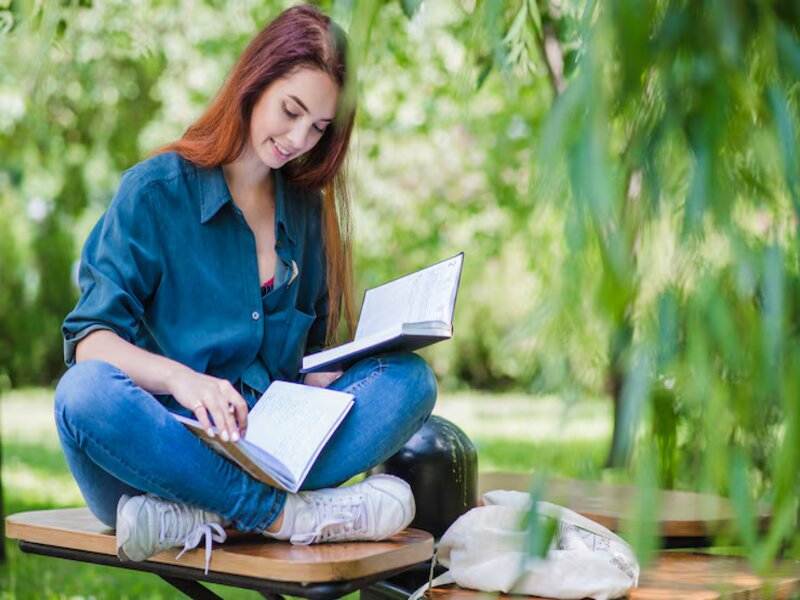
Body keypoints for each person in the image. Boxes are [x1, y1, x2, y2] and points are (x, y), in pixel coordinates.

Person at [54, 4, 437, 570]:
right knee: (83, 395)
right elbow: (91, 340)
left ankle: (209, 518)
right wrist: (185, 382)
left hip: (271, 449)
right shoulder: (154, 194)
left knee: (410, 382)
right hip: (164, 455)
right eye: (291, 110)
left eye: (319, 127)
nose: (298, 138)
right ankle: (287, 518)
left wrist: (344, 365)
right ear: (255, 81)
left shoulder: (306, 213)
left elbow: (309, 362)